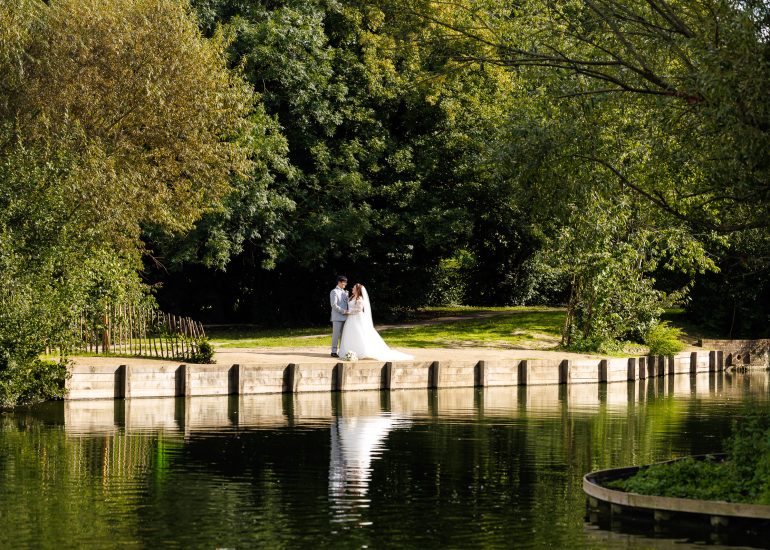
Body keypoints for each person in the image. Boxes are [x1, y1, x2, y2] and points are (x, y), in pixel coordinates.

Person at [338, 283, 413, 361]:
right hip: (350, 319)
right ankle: (349, 350)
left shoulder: (360, 299)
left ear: (357, 290)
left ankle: (361, 351)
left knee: (359, 333)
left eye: (353, 288)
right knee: (350, 334)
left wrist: (347, 312)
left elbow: (358, 310)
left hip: (357, 318)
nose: (352, 289)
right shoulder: (352, 297)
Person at [330, 275, 349, 358]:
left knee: (343, 335)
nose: (345, 284)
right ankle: (333, 351)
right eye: (344, 282)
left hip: (345, 317)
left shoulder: (345, 292)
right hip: (337, 317)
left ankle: (341, 351)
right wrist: (343, 311)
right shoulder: (334, 291)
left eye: (345, 282)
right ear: (339, 282)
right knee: (336, 335)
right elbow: (334, 305)